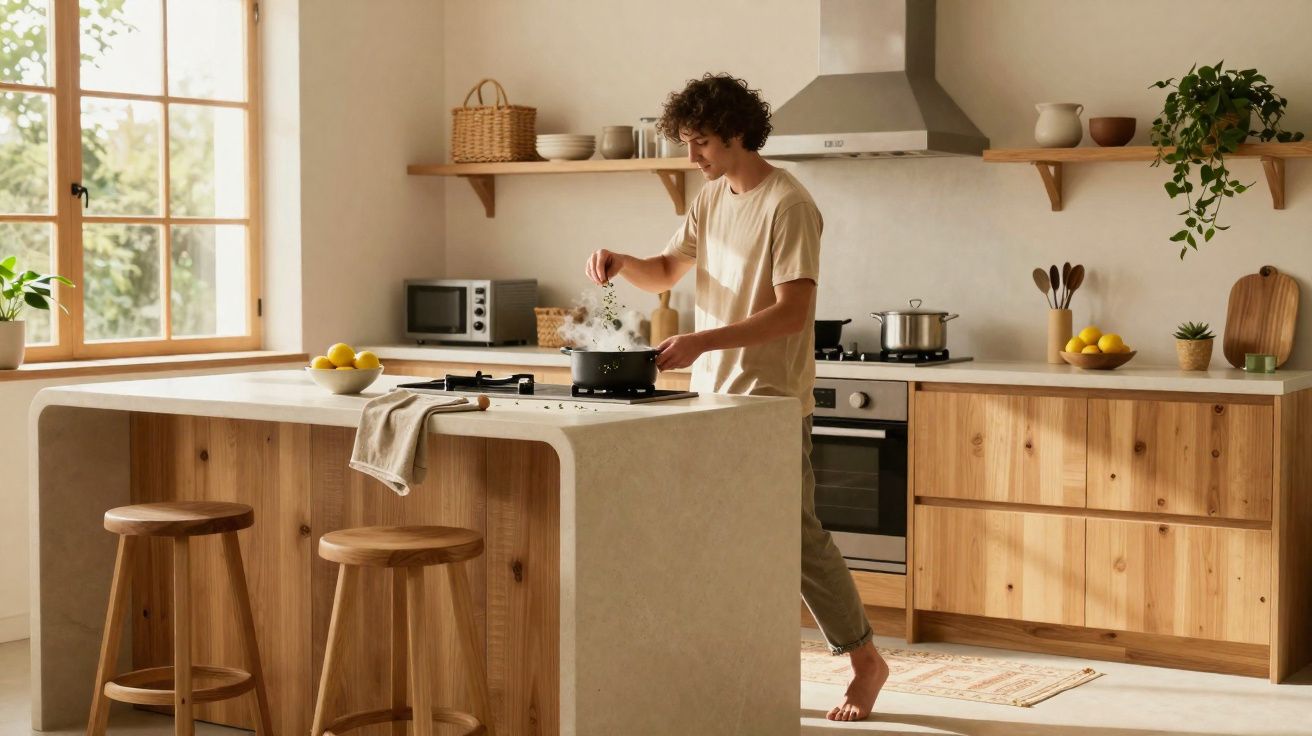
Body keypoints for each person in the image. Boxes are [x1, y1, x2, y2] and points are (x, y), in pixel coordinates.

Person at [584, 72, 890, 722]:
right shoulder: (711, 199)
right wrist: (621, 261)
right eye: (687, 142)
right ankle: (725, 665)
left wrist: (703, 341)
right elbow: (666, 272)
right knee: (710, 537)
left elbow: (793, 313)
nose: (691, 155)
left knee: (798, 539)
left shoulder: (789, 204)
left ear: (737, 134)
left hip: (771, 402)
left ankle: (865, 661)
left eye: (700, 141)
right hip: (712, 400)